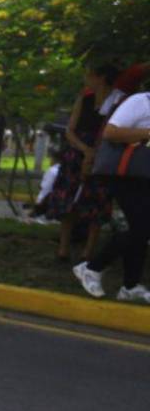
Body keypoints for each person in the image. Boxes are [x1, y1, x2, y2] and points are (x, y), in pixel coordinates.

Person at [73, 88, 150, 304]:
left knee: (142, 230)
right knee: (141, 228)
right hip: (128, 175)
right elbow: (110, 132)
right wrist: (147, 133)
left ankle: (130, 286)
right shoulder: (141, 102)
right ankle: (91, 268)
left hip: (145, 176)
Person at [46, 64, 117, 262]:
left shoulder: (117, 101)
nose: (86, 79)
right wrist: (84, 150)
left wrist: (95, 154)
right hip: (77, 153)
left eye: (89, 75)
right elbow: (70, 130)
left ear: (101, 77)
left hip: (103, 155)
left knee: (97, 201)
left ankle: (88, 252)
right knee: (69, 199)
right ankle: (63, 248)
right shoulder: (84, 99)